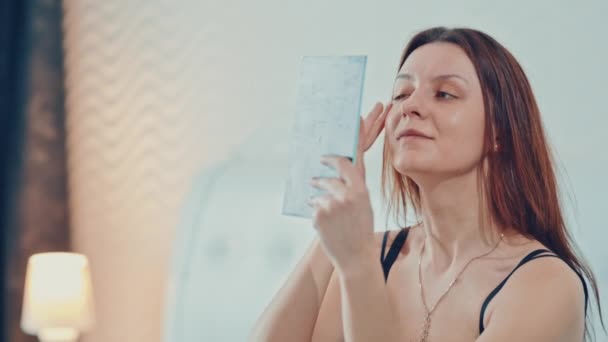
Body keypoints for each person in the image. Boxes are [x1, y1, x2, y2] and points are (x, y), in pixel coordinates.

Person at [249, 27, 603, 342]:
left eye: (445, 94)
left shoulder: (546, 285)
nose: (410, 107)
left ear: (499, 131)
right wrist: (334, 217)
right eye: (402, 94)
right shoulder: (371, 255)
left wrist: (357, 266)